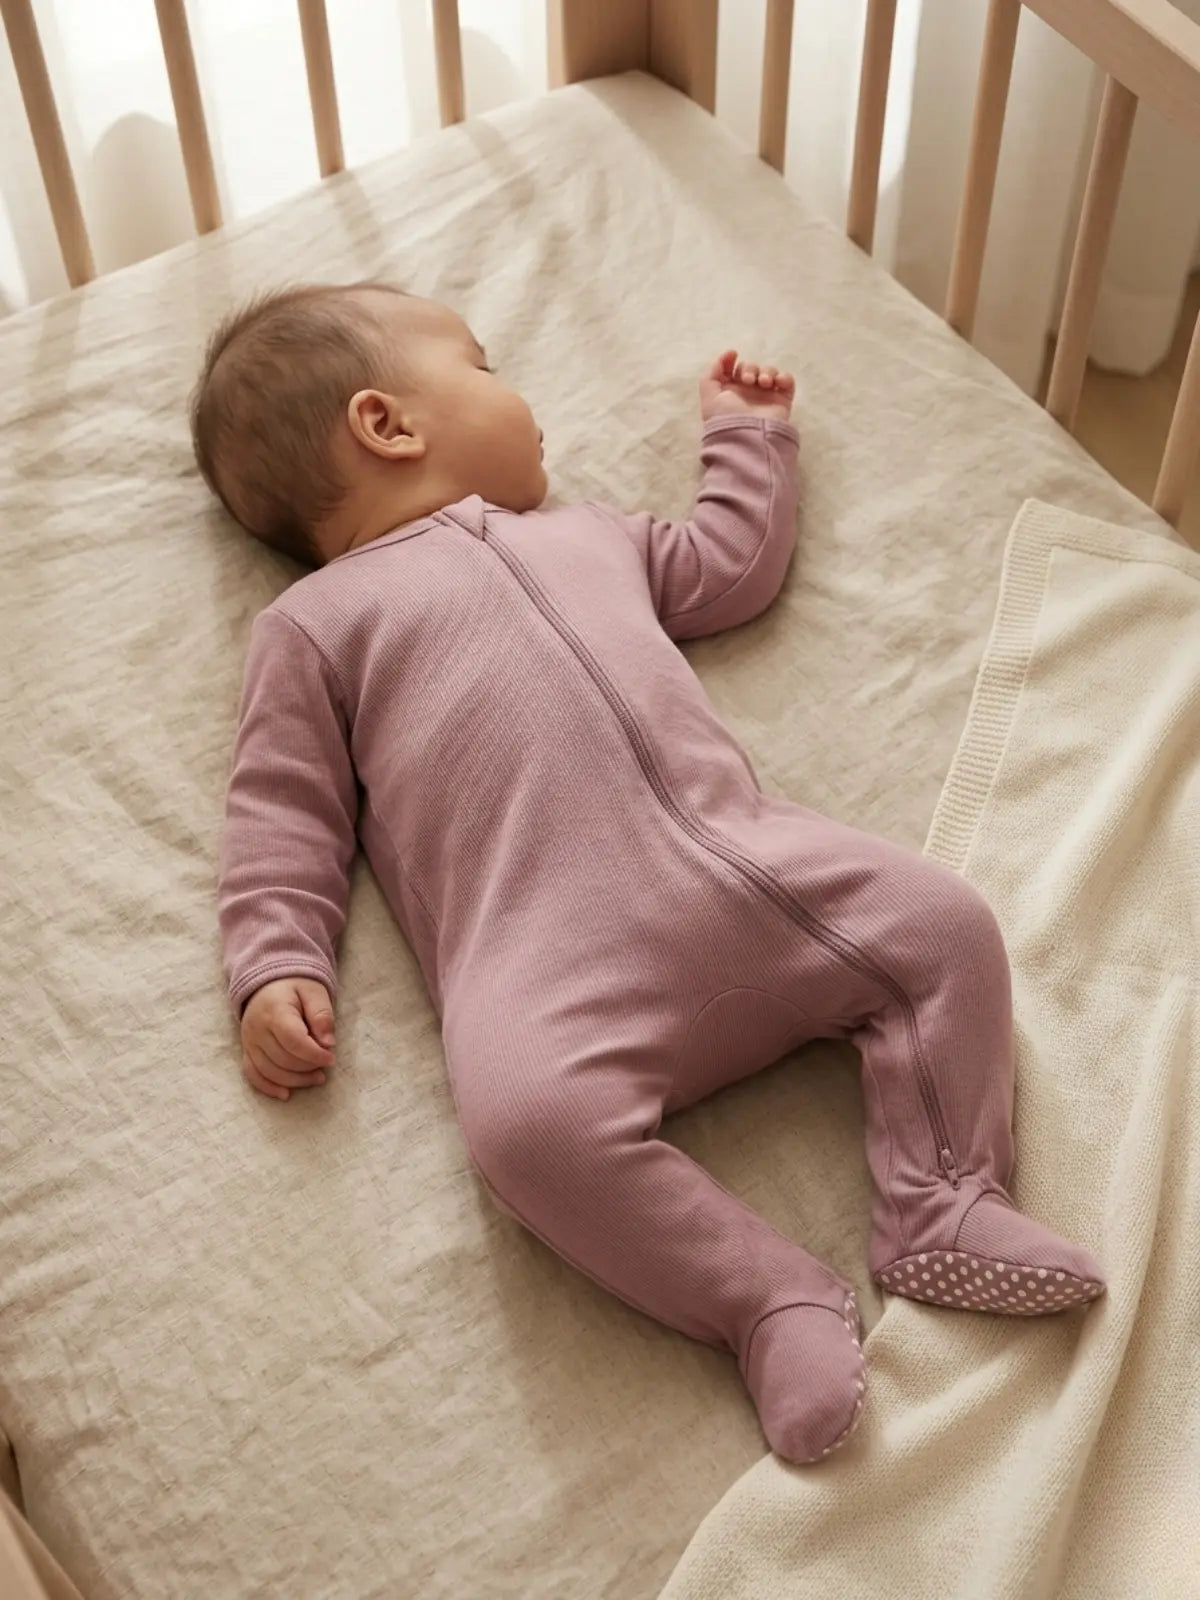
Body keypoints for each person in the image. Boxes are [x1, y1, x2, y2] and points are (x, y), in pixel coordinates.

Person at [193, 282, 1105, 1465]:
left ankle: (943, 1195)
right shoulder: (316, 628)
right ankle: (764, 1298)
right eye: (483, 365)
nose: (524, 402)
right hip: (547, 964)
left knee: (945, 925)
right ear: (388, 425)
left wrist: (748, 440)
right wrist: (272, 964)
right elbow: (279, 812)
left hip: (755, 874)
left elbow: (728, 570)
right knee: (523, 1131)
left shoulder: (589, 535)